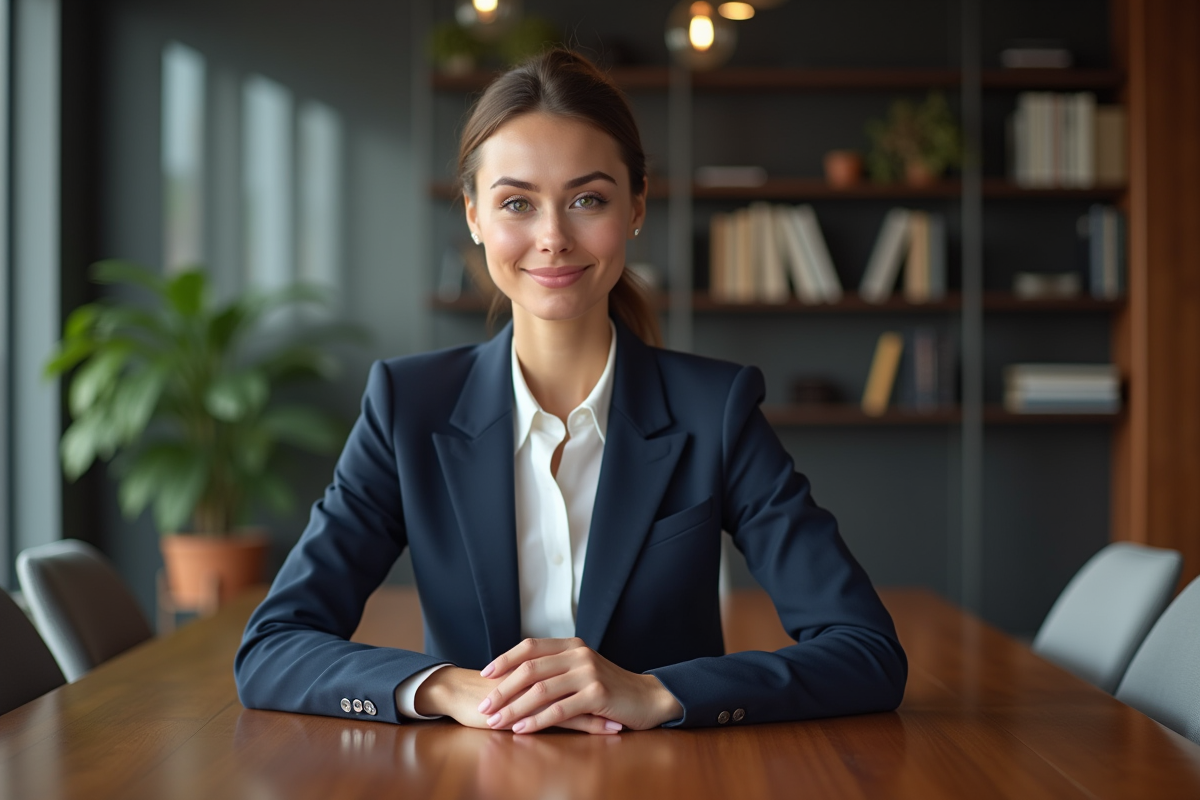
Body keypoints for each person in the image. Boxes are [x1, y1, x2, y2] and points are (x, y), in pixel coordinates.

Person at [235, 49, 906, 734]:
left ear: (636, 207)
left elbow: (866, 653)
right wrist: (441, 688)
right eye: (516, 203)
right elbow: (272, 648)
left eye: (587, 199)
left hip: (668, 779)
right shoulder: (408, 407)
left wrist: (659, 693)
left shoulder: (717, 410)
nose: (552, 237)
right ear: (472, 216)